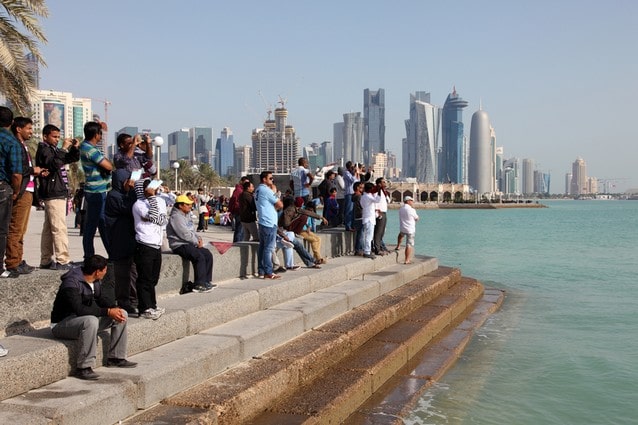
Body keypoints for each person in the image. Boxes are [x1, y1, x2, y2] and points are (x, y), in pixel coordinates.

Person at [50, 255, 137, 380]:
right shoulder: (71, 283)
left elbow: (101, 299)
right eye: (105, 270)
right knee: (91, 321)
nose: (106, 272)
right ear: (97, 272)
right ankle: (84, 367)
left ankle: (116, 358)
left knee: (121, 313)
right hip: (62, 324)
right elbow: (79, 309)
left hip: (82, 321)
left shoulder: (94, 281)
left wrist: (113, 308)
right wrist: (107, 312)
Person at [6, 117, 47, 275]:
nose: (31, 131)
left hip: (28, 191)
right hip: (21, 191)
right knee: (16, 228)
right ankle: (12, 262)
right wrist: (33, 171)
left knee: (21, 229)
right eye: (29, 128)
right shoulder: (16, 145)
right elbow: (18, 169)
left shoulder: (23, 146)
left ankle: (18, 259)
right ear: (18, 129)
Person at [36, 124, 80, 270]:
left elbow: (69, 159)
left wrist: (74, 148)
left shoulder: (54, 150)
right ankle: (63, 259)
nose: (57, 140)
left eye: (58, 137)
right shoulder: (44, 149)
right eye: (54, 137)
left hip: (57, 190)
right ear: (45, 136)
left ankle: (46, 259)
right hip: (53, 192)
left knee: (49, 228)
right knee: (59, 227)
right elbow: (53, 164)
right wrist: (63, 148)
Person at [132, 179, 168, 319]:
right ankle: (144, 308)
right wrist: (152, 198)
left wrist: (154, 199)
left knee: (153, 278)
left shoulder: (160, 201)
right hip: (144, 244)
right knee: (144, 278)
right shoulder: (138, 205)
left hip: (156, 244)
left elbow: (162, 220)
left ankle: (152, 305)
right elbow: (154, 217)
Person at [104, 169, 138, 315]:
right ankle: (124, 301)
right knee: (123, 274)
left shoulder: (123, 195)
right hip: (119, 241)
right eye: (127, 181)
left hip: (129, 240)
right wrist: (131, 191)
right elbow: (130, 209)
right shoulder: (113, 196)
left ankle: (134, 299)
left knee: (133, 272)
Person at [167, 194, 215, 293]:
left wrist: (199, 239)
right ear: (180, 206)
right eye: (187, 204)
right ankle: (199, 284)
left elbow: (191, 230)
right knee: (198, 256)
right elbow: (183, 233)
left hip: (189, 243)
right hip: (179, 244)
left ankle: (206, 281)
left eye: (190, 204)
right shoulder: (176, 217)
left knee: (207, 254)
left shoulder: (187, 215)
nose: (190, 206)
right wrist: (196, 242)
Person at [80, 121, 113, 259]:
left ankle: (111, 252)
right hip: (96, 191)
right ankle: (89, 255)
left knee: (101, 223)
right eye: (100, 133)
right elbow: (108, 166)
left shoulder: (85, 146)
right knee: (92, 225)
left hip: (96, 190)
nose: (100, 136)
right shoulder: (90, 150)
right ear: (95, 134)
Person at [0, 106, 24, 279]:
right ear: (12, 122)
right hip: (2, 186)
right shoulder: (11, 141)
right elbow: (16, 173)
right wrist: (15, 191)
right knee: (2, 229)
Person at [255, 171, 283, 279]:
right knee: (268, 248)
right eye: (270, 178)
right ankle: (268, 271)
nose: (272, 180)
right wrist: (275, 192)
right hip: (269, 222)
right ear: (264, 179)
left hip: (263, 221)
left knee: (262, 247)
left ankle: (261, 271)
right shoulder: (266, 190)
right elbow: (280, 204)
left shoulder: (258, 190)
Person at [396, 196, 419, 264]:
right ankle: (407, 260)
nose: (412, 202)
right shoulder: (412, 210)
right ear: (408, 201)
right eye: (411, 200)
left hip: (403, 227)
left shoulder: (401, 209)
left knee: (401, 235)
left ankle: (398, 246)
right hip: (410, 229)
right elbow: (417, 218)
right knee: (409, 244)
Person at [360, 182, 381, 259]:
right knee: (369, 236)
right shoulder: (368, 196)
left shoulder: (364, 196)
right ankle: (367, 251)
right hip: (369, 219)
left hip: (367, 217)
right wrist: (379, 191)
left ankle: (367, 250)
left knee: (368, 236)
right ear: (370, 189)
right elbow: (377, 200)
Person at [372, 177, 391, 255]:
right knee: (378, 232)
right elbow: (375, 203)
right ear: (379, 184)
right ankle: (377, 249)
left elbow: (388, 201)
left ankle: (380, 247)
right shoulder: (376, 192)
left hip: (384, 212)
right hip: (379, 213)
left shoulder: (383, 192)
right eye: (383, 182)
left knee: (382, 232)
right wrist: (377, 214)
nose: (385, 183)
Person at [228, 176, 249, 242]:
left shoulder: (241, 190)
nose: (246, 184)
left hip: (240, 212)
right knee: (240, 230)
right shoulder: (239, 191)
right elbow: (234, 201)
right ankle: (237, 244)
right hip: (239, 212)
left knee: (241, 230)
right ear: (241, 182)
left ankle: (239, 243)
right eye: (245, 182)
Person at [351, 181, 364, 255]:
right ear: (357, 188)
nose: (362, 189)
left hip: (356, 216)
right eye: (361, 187)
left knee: (359, 234)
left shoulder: (354, 196)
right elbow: (362, 206)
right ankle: (359, 249)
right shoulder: (359, 196)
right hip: (361, 216)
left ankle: (358, 249)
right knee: (360, 235)